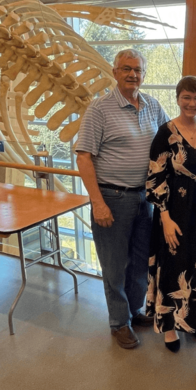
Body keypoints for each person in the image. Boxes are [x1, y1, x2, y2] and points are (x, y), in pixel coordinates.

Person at [76, 49, 169, 349]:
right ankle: (118, 322)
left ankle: (135, 310)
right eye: (126, 69)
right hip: (112, 199)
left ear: (145, 74)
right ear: (115, 73)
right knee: (115, 265)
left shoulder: (153, 106)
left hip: (146, 199)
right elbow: (84, 157)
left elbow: (174, 133)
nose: (133, 74)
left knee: (141, 262)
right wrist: (96, 202)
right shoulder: (99, 109)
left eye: (138, 70)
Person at [145, 76, 196, 353]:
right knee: (173, 266)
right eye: (186, 97)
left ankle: (195, 321)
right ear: (177, 99)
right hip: (173, 212)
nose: (191, 103)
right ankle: (168, 329)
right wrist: (164, 217)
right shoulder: (166, 132)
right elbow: (155, 176)